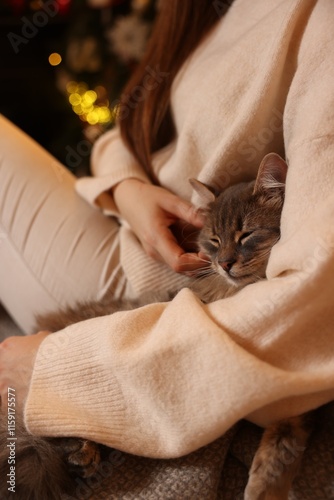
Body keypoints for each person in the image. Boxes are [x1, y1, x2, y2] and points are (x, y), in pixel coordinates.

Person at [1, 0, 334, 462]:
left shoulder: (321, 25)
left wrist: (62, 369)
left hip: (156, 289)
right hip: (129, 230)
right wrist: (126, 189)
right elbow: (119, 134)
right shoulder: (194, 14)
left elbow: (308, 312)